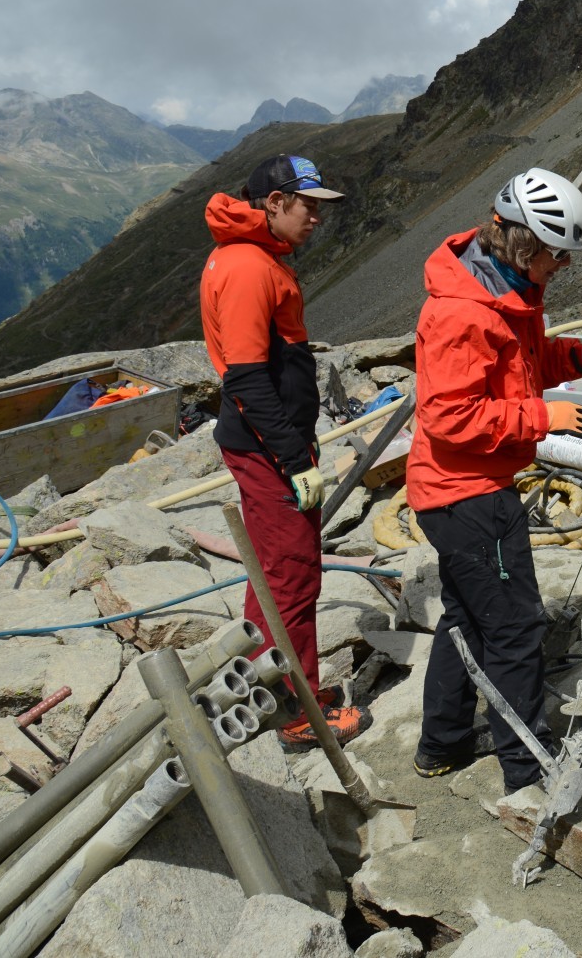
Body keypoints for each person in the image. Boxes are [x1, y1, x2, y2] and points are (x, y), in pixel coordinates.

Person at [405, 166, 582, 792]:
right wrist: (544, 417)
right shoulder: (464, 314)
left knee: (466, 615)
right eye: (557, 255)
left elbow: (522, 362)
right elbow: (447, 416)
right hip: (465, 495)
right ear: (523, 241)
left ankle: (441, 745)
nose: (563, 267)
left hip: (462, 487)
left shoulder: (505, 288)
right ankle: (528, 770)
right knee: (516, 626)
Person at [200, 153, 367, 746]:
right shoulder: (248, 268)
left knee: (272, 574)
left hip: (270, 445)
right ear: (274, 202)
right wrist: (295, 460)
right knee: (293, 576)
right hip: (270, 451)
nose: (317, 218)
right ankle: (296, 714)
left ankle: (262, 681)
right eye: (308, 205)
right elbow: (246, 378)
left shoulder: (255, 256)